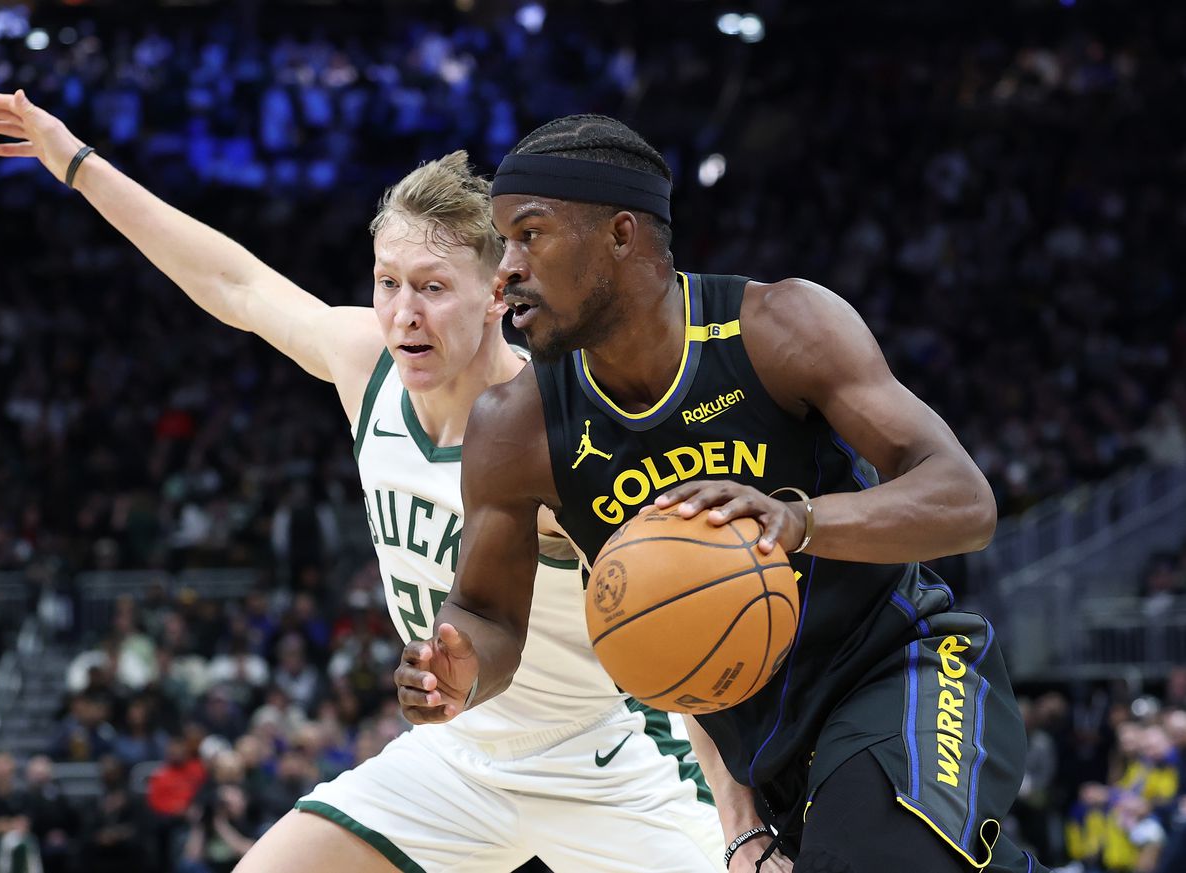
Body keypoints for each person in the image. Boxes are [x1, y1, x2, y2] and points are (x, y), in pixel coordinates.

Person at [0, 91, 724, 872]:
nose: (403, 314)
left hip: (609, 763)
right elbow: (236, 284)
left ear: (498, 292)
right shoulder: (367, 367)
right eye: (387, 283)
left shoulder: (567, 428)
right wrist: (76, 162)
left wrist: (744, 822)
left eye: (431, 287)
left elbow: (693, 627)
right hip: (456, 757)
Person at [393, 114, 1050, 873]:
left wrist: (799, 521)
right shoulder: (516, 427)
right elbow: (485, 612)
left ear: (620, 234)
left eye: (528, 235)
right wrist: (458, 667)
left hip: (902, 671)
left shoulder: (779, 328)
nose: (504, 268)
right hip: (769, 755)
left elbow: (964, 501)